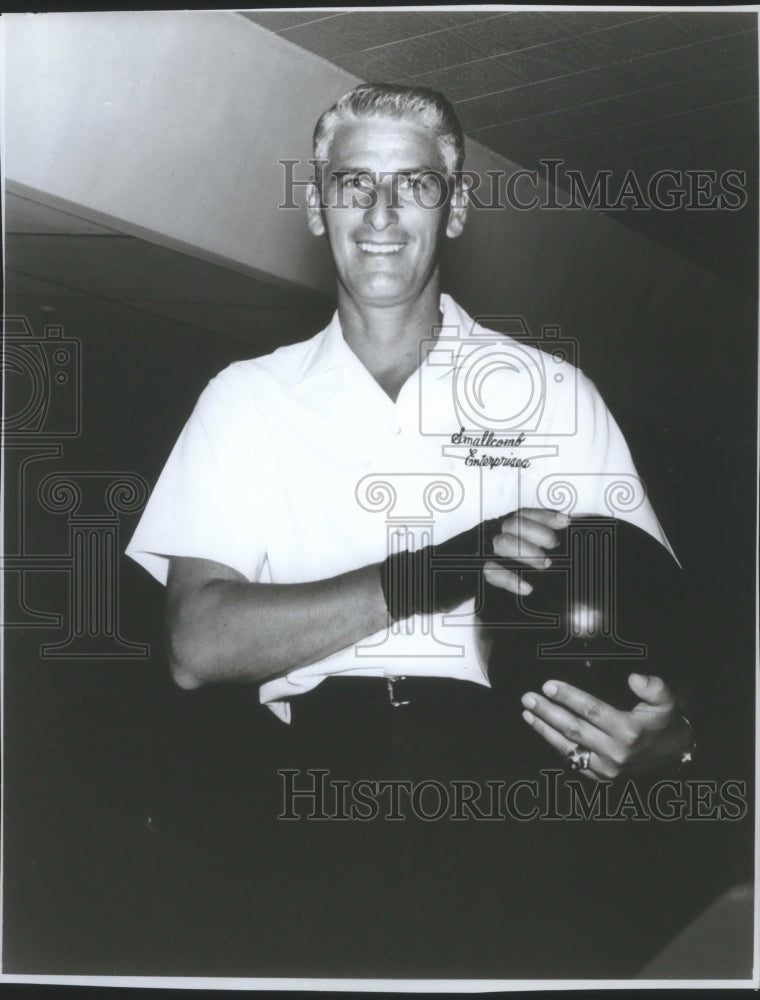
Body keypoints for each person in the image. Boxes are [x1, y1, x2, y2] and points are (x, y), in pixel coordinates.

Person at [126, 84, 697, 978]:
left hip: (517, 806)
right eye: (354, 185)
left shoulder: (550, 393)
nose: (382, 215)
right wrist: (445, 566)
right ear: (319, 208)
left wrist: (671, 739)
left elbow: (653, 627)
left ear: (457, 206)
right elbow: (195, 644)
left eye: (416, 187)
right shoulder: (246, 400)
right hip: (305, 808)